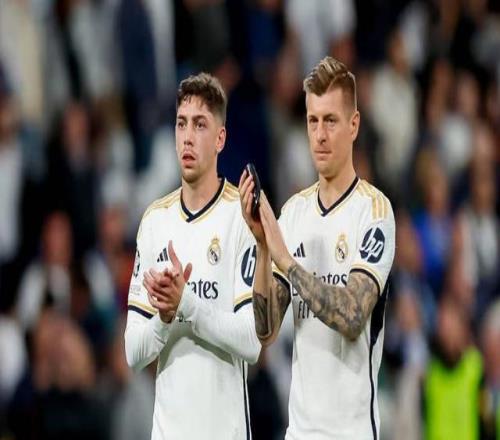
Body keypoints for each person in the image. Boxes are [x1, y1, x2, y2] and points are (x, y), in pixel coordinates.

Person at [239, 56, 395, 439]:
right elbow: (266, 330)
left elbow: (353, 316)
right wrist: (263, 247)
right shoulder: (294, 213)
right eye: (312, 121)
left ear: (354, 125)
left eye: (331, 121)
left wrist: (288, 262)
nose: (320, 135)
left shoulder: (374, 212)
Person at [125, 73, 260, 439]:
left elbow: (252, 342)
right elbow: (133, 353)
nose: (187, 136)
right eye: (181, 123)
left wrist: (186, 303)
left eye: (200, 125)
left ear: (220, 139)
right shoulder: (155, 221)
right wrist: (165, 318)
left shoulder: (241, 217)